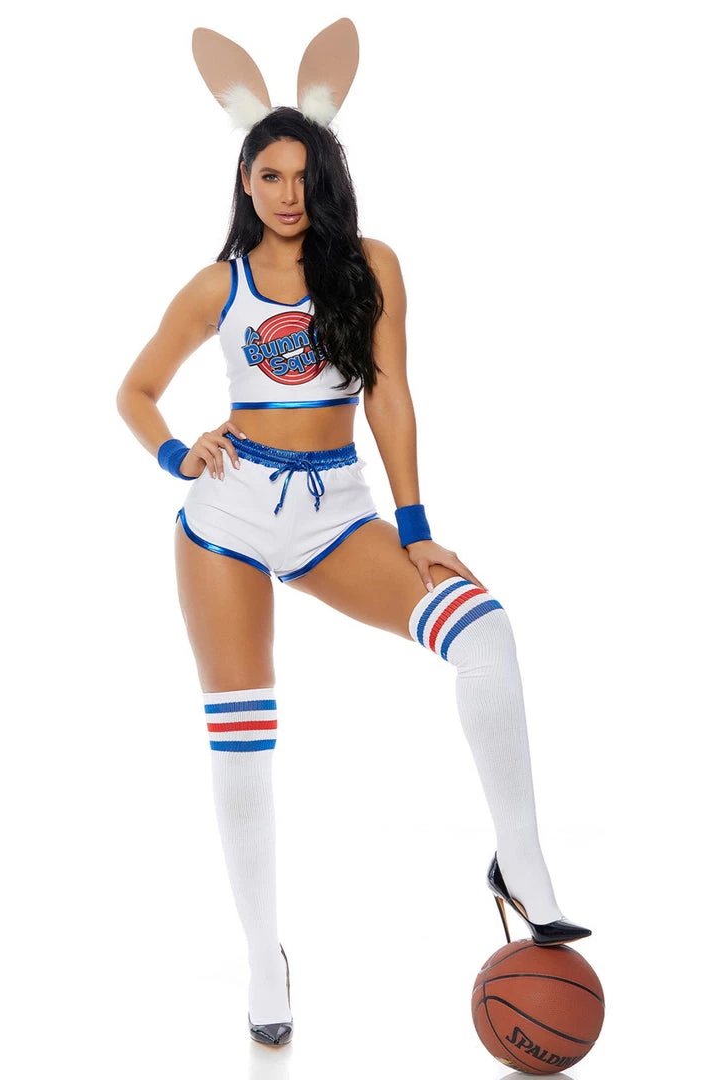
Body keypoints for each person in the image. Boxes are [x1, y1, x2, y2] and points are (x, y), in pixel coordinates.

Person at [116, 20, 590, 1049]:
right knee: (243, 736)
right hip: (230, 516)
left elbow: (391, 397)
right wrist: (178, 455)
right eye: (269, 174)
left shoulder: (372, 264)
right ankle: (263, 958)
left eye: (304, 174)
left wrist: (416, 528)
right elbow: (135, 390)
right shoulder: (217, 284)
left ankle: (519, 859)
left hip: (337, 512)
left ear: (328, 176)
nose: (287, 193)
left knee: (485, 635)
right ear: (245, 181)